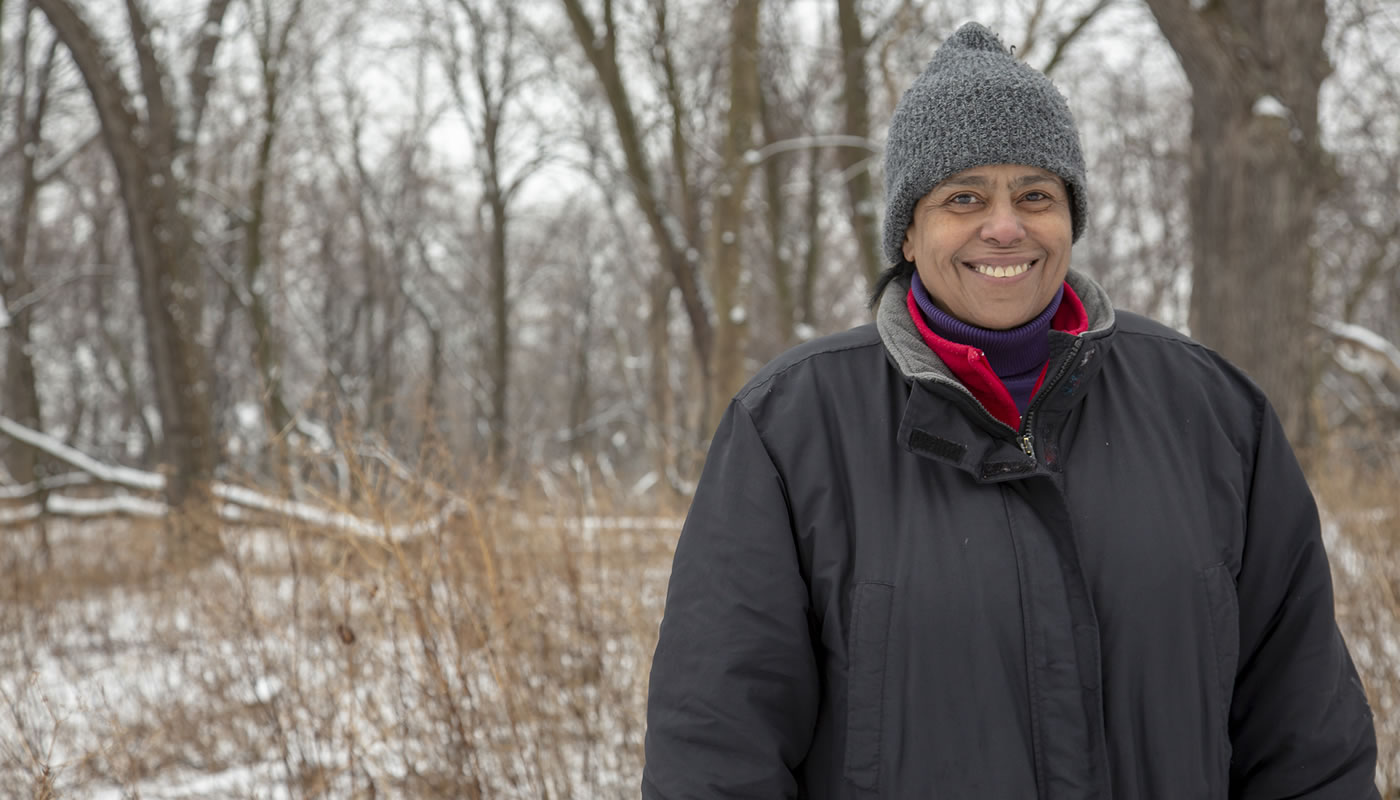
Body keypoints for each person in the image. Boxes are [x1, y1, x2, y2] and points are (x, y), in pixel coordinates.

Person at [640, 21, 1379, 800]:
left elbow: (1306, 733)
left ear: (1070, 220)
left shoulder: (1212, 414)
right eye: (965, 197)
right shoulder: (790, 428)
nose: (1006, 226)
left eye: (1036, 195)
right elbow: (715, 749)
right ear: (911, 233)